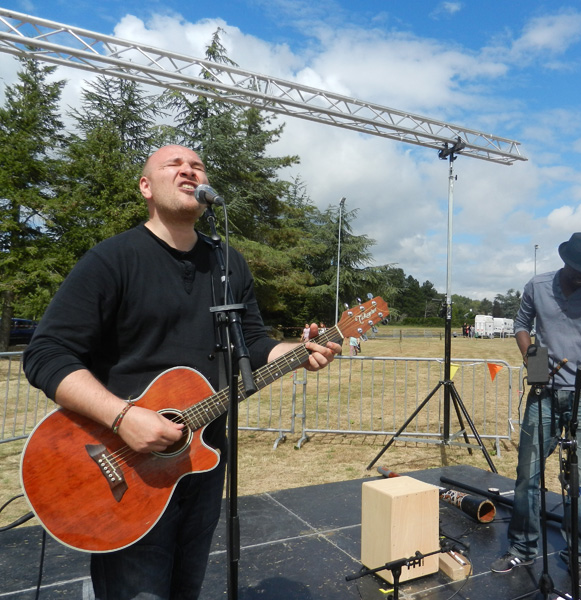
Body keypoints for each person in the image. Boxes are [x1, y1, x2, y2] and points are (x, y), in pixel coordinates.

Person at [22, 144, 341, 600]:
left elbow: (252, 343)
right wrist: (122, 418)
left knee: (185, 589)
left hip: (202, 460)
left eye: (197, 165)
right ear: (146, 187)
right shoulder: (112, 259)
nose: (189, 170)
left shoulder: (228, 263)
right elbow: (47, 353)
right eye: (174, 164)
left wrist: (297, 351)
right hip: (123, 468)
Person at [491, 232, 581, 588]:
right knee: (528, 477)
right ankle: (523, 549)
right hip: (544, 392)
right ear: (565, 261)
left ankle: (578, 558)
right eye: (575, 269)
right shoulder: (537, 285)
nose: (579, 276)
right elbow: (521, 325)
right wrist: (532, 361)